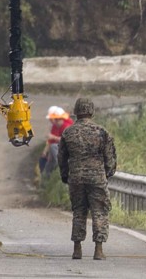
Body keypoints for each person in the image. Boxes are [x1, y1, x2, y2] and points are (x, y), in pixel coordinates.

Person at [60, 97, 117, 261]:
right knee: (99, 212)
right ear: (91, 111)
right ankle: (98, 250)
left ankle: (77, 249)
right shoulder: (101, 132)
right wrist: (107, 173)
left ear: (76, 112)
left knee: (78, 211)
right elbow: (110, 157)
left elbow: (62, 158)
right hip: (96, 178)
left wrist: (65, 176)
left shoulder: (67, 132)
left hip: (76, 178)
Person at [39, 105, 72, 180]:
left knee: (53, 147)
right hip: (59, 149)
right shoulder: (55, 126)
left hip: (66, 152)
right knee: (43, 159)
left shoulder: (67, 126)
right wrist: (45, 152)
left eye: (52, 119)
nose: (51, 121)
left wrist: (53, 138)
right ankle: (43, 178)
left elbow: (67, 140)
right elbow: (51, 141)